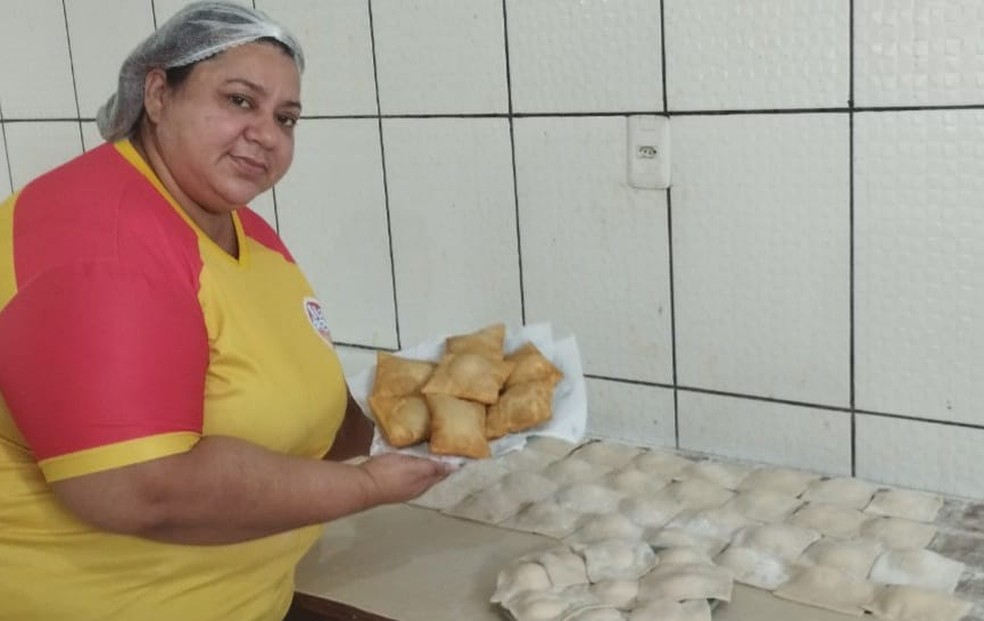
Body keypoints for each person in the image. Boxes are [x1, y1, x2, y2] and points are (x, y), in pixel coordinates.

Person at [0, 3, 450, 620]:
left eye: (285, 117)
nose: (267, 133)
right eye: (240, 100)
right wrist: (368, 487)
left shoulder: (239, 227)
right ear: (158, 93)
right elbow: (137, 488)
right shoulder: (97, 235)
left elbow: (298, 392)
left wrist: (415, 410)